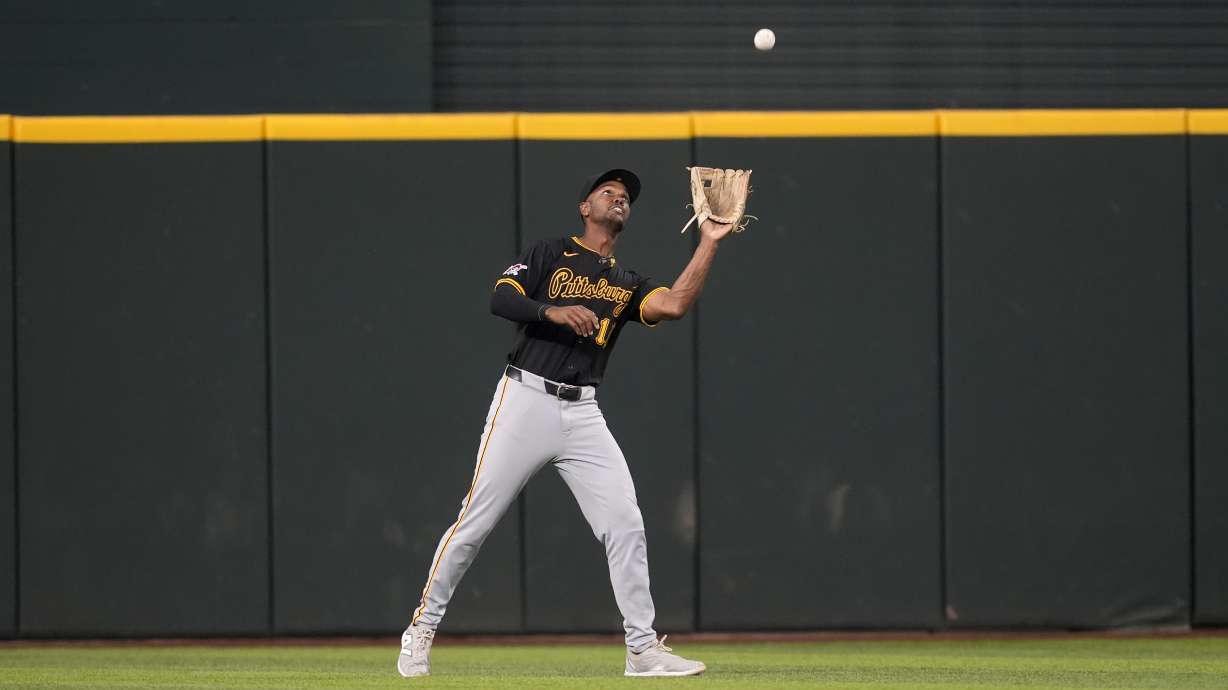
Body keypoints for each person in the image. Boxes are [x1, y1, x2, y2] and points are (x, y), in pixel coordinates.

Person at [398, 168, 735, 678]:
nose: (619, 199)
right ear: (585, 207)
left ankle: (642, 649)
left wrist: (709, 241)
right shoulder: (548, 253)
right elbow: (500, 298)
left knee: (626, 522)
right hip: (526, 396)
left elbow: (675, 304)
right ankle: (421, 629)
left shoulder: (628, 283)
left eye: (626, 198)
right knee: (476, 521)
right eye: (609, 192)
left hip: (583, 411)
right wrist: (551, 311)